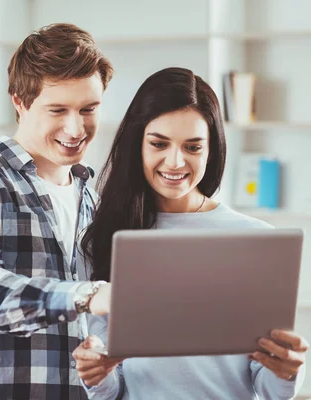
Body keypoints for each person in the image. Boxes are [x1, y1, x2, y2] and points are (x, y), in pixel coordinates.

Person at [72, 67, 308, 399]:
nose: (175, 161)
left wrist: (289, 372)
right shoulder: (103, 240)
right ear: (137, 144)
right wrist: (96, 374)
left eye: (193, 147)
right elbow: (110, 391)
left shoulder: (254, 240)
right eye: (159, 143)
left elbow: (270, 389)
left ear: (211, 151)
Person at [0, 23, 115, 400]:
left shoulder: (91, 196)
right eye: (57, 109)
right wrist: (85, 295)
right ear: (19, 102)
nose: (75, 127)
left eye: (88, 109)